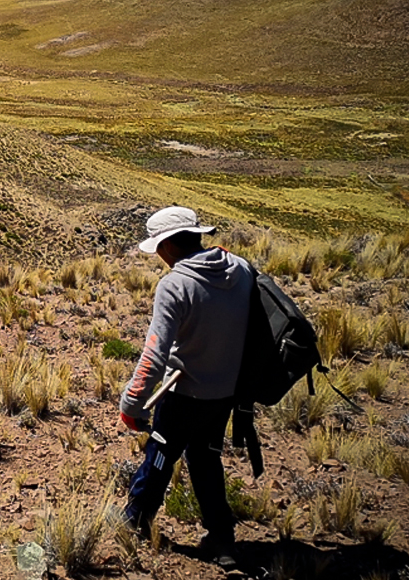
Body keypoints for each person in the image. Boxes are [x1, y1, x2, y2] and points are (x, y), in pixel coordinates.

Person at [118, 206, 253, 567]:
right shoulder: (240, 269)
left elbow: (154, 355)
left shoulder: (175, 284)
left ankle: (135, 521)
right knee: (206, 460)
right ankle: (222, 539)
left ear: (167, 245)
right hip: (225, 392)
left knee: (160, 456)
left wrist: (132, 404)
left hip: (183, 392)